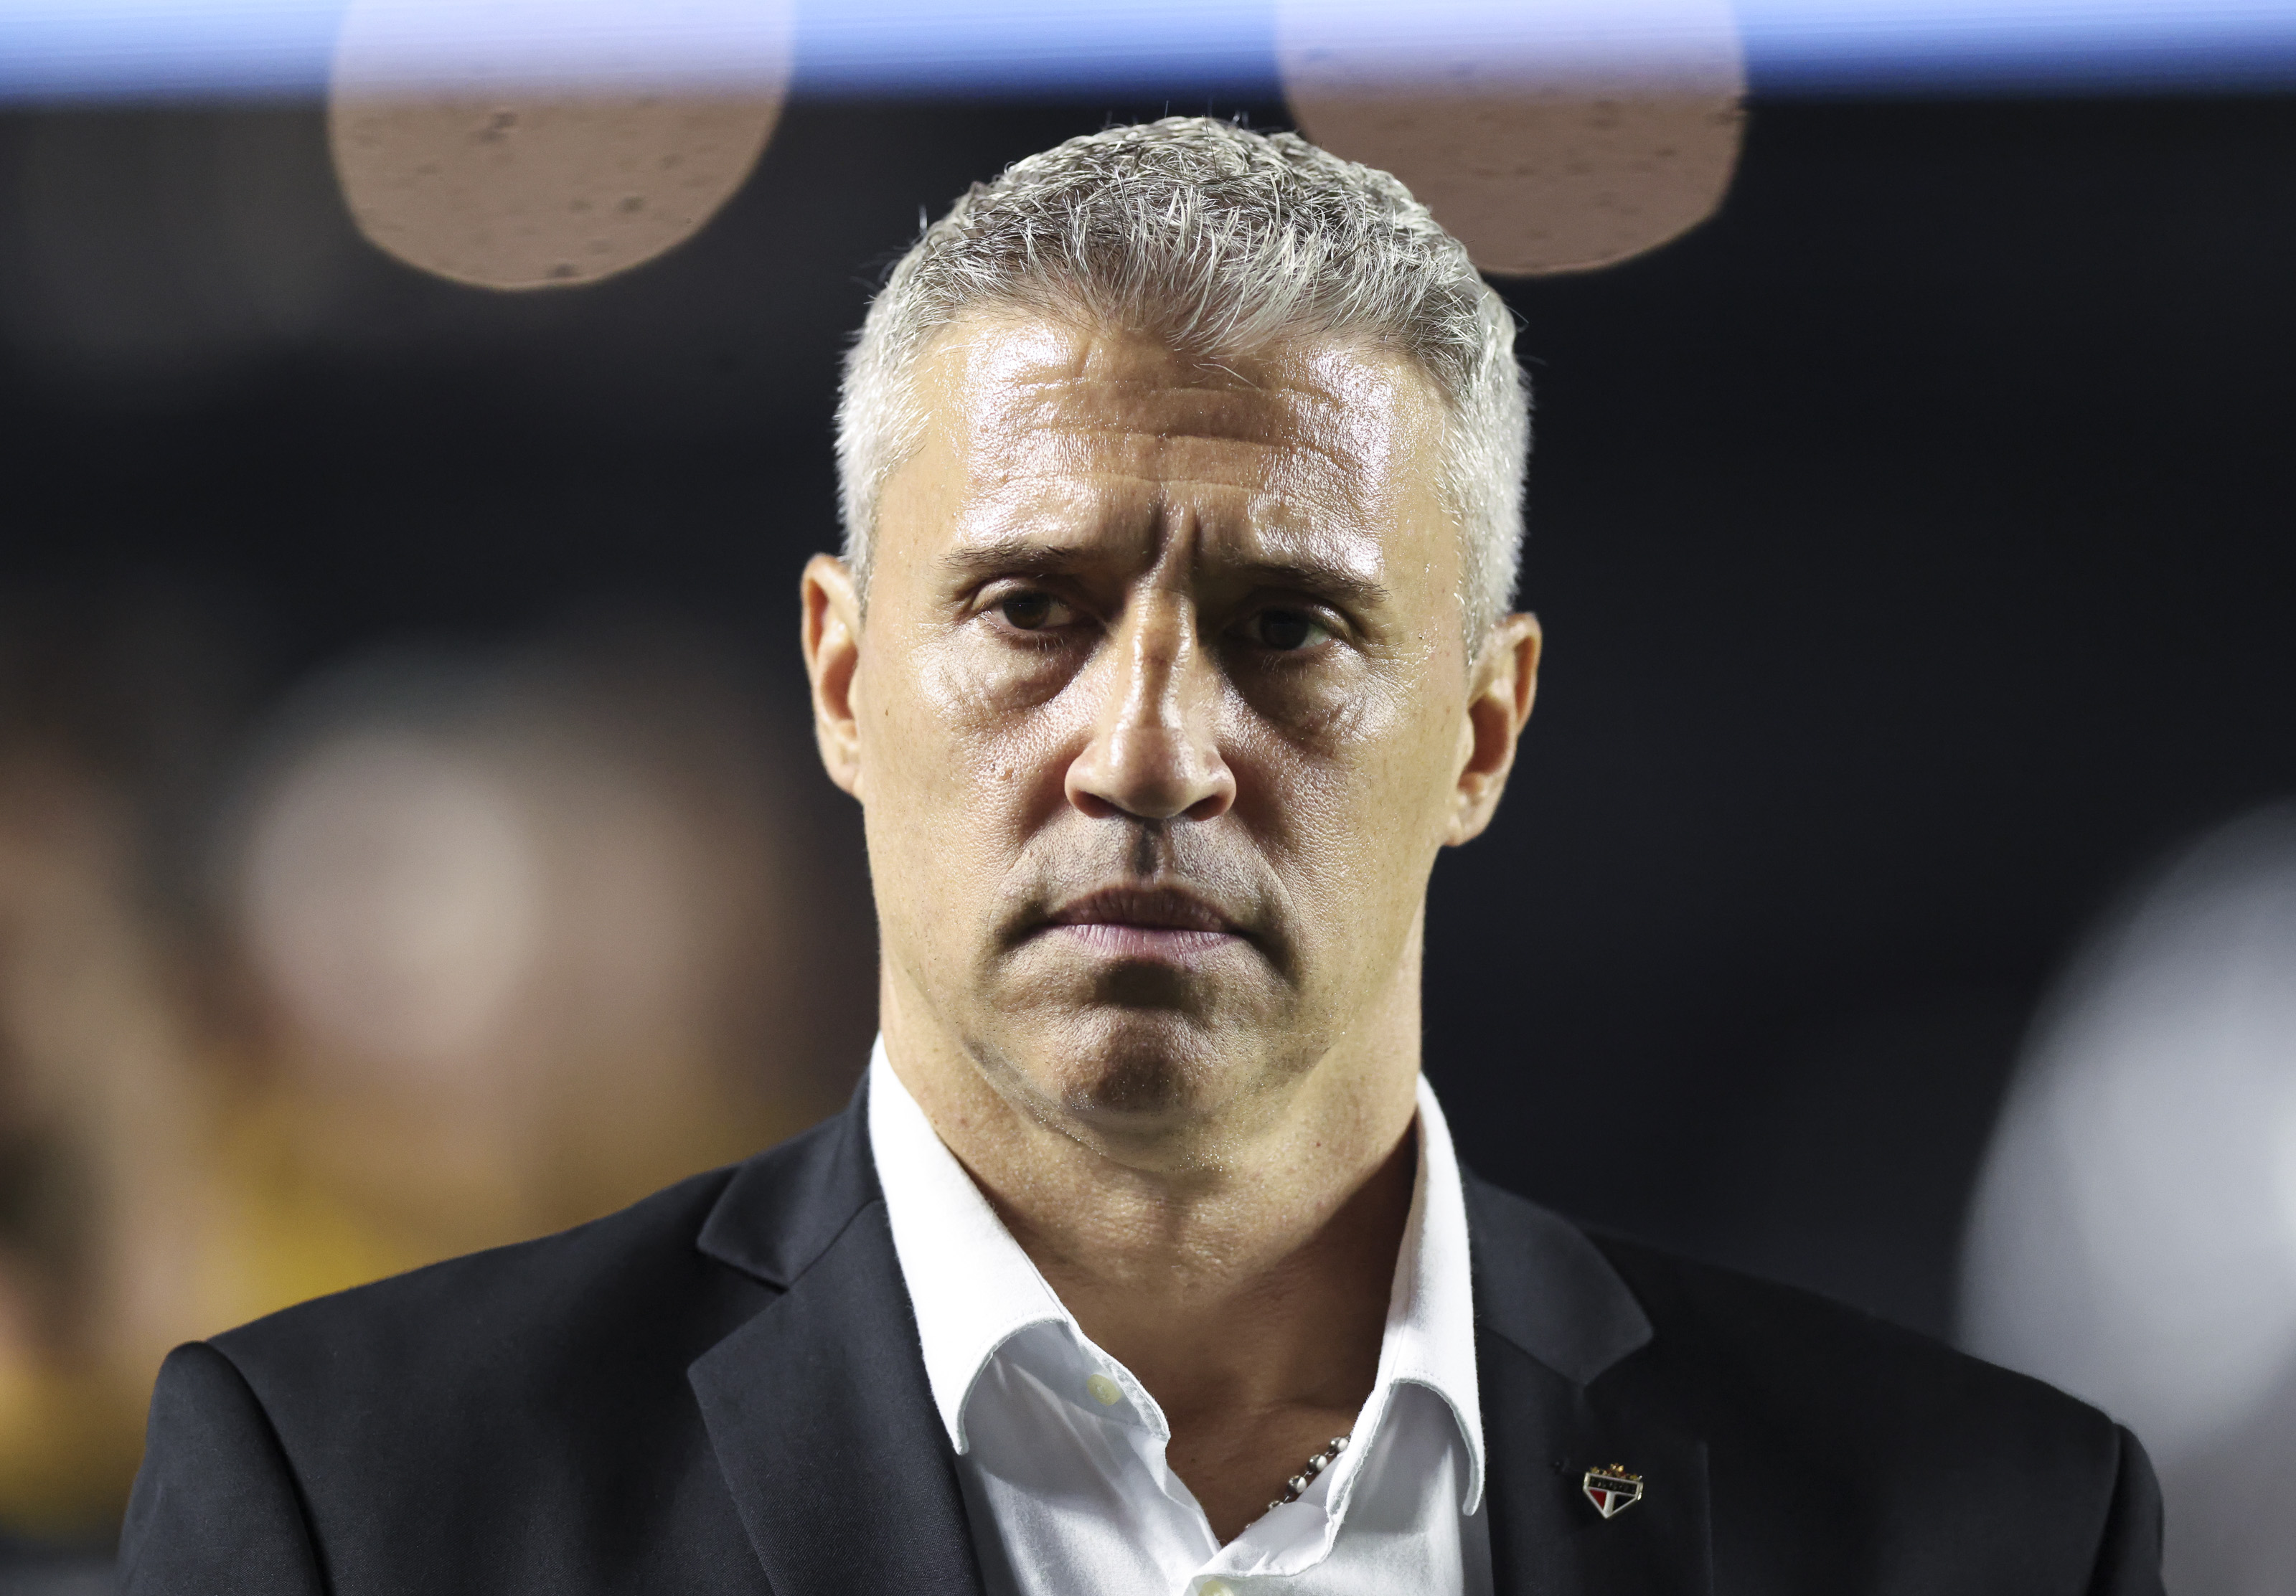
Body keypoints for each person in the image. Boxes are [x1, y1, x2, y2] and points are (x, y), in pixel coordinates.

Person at [119, 118, 2163, 1595]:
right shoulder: (364, 1504)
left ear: (1483, 727)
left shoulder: (1979, 1532)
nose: (1152, 750)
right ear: (845, 678)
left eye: (1288, 624)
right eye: (1032, 609)